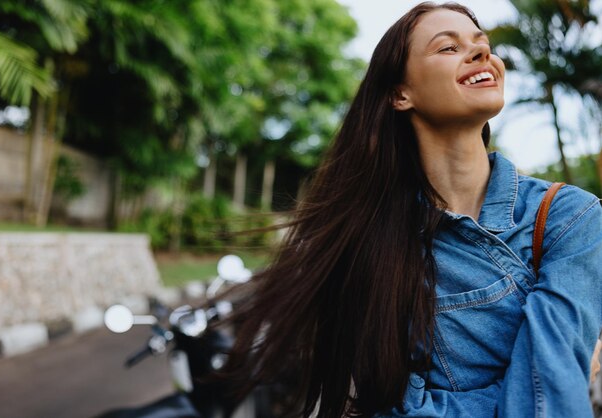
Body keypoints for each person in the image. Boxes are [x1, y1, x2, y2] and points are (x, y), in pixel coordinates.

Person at [219, 2, 602, 417]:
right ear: (400, 94)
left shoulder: (570, 216)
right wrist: (563, 373)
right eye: (447, 48)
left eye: (482, 45)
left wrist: (552, 384)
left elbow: (546, 407)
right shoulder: (375, 248)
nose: (481, 54)